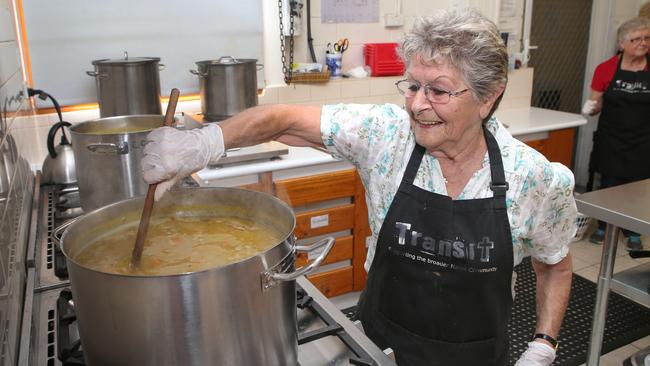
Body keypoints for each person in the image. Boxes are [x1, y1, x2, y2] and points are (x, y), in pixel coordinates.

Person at [142, 9, 576, 366]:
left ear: (488, 96)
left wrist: (543, 343)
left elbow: (554, 264)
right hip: (379, 348)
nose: (418, 104)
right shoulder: (385, 136)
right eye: (412, 85)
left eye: (439, 91)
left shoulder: (533, 178)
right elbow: (284, 119)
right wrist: (205, 142)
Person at [582, 17, 650, 251]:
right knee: (610, 184)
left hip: (643, 140)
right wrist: (591, 107)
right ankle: (604, 226)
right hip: (611, 138)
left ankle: (633, 230)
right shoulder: (606, 68)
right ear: (622, 44)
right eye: (636, 39)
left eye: (646, 38)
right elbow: (596, 100)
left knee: (637, 187)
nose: (643, 43)